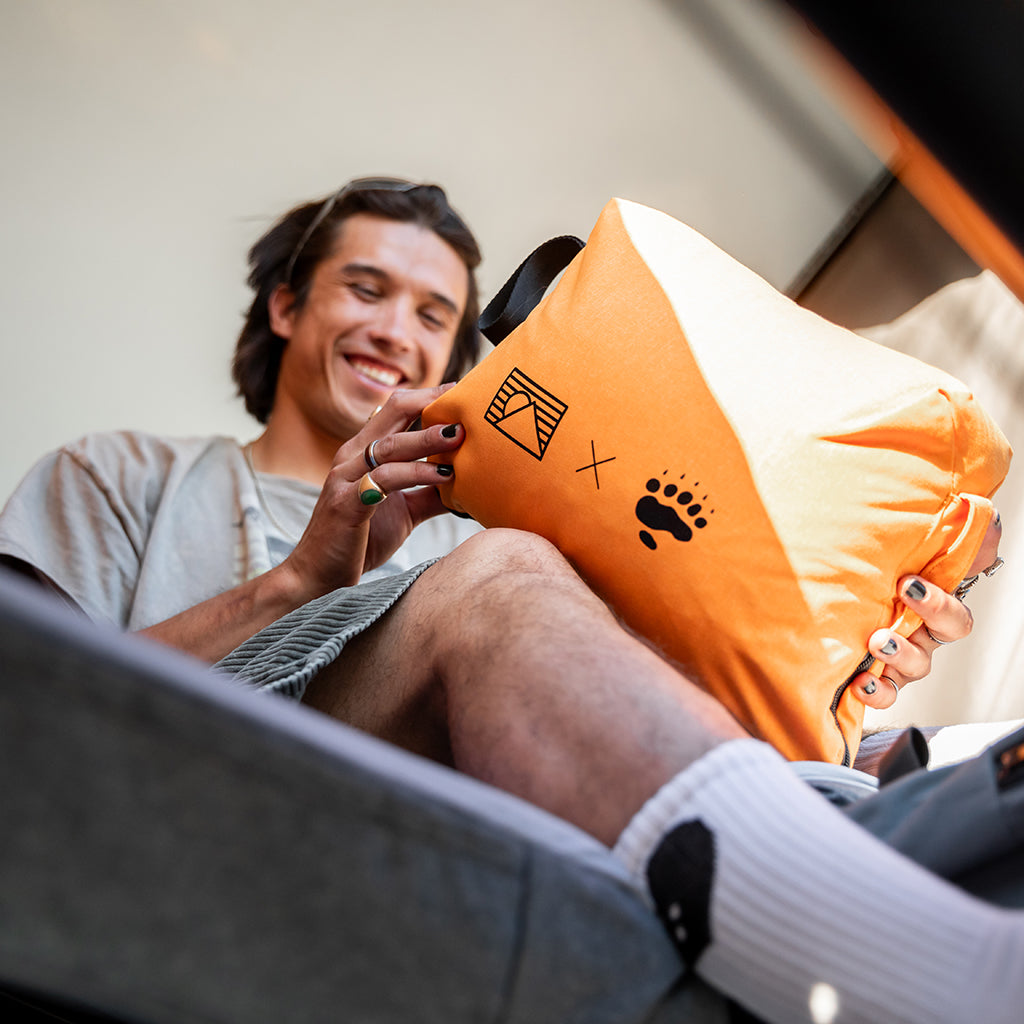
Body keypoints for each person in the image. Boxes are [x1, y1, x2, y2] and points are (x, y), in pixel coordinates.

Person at [1, 176, 1017, 1022]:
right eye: (366, 289)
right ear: (285, 307)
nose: (395, 330)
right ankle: (865, 926)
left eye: (433, 315)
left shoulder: (483, 537)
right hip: (178, 804)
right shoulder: (121, 475)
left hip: (440, 870)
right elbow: (25, 710)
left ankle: (862, 822)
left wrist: (841, 667)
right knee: (503, 576)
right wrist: (301, 579)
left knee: (900, 748)